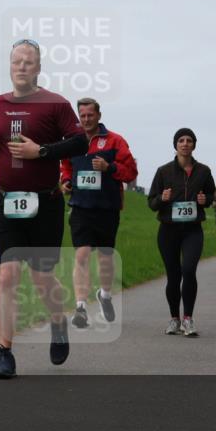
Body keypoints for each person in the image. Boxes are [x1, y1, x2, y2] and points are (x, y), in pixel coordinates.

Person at [0, 39, 89, 379]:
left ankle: (57, 322)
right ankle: (4, 353)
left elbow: (79, 141)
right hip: (5, 201)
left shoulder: (56, 104)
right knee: (7, 274)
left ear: (38, 68)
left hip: (45, 203)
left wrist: (43, 152)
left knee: (42, 278)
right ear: (10, 66)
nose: (22, 66)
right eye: (17, 61)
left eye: (29, 62)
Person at [58, 98, 138, 327]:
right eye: (82, 116)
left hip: (107, 208)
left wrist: (109, 167)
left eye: (90, 115)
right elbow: (66, 166)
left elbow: (131, 171)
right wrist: (65, 182)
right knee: (81, 254)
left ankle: (104, 294)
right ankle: (80, 308)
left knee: (105, 257)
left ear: (98, 116)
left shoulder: (115, 140)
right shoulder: (72, 141)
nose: (85, 120)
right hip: (81, 207)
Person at [148, 128, 215, 337]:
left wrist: (206, 201)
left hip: (192, 230)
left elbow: (211, 195)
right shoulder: (163, 171)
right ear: (175, 145)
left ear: (194, 145)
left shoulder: (203, 171)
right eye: (181, 140)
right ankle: (174, 319)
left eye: (189, 140)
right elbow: (151, 202)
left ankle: (188, 319)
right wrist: (162, 199)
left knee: (188, 270)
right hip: (168, 230)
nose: (185, 144)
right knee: (173, 276)